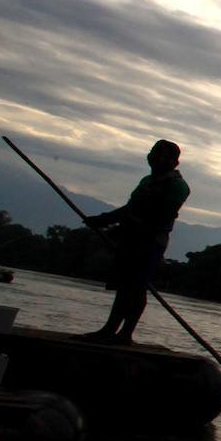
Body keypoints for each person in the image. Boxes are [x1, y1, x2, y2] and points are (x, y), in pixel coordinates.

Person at [81, 139, 189, 344]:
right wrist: (103, 220)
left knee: (135, 287)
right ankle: (111, 331)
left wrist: (125, 230)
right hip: (131, 239)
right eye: (157, 154)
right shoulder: (147, 181)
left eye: (167, 157)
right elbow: (130, 209)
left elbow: (162, 217)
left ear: (175, 163)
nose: (160, 159)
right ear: (149, 156)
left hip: (149, 242)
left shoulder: (176, 185)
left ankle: (123, 334)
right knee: (125, 286)